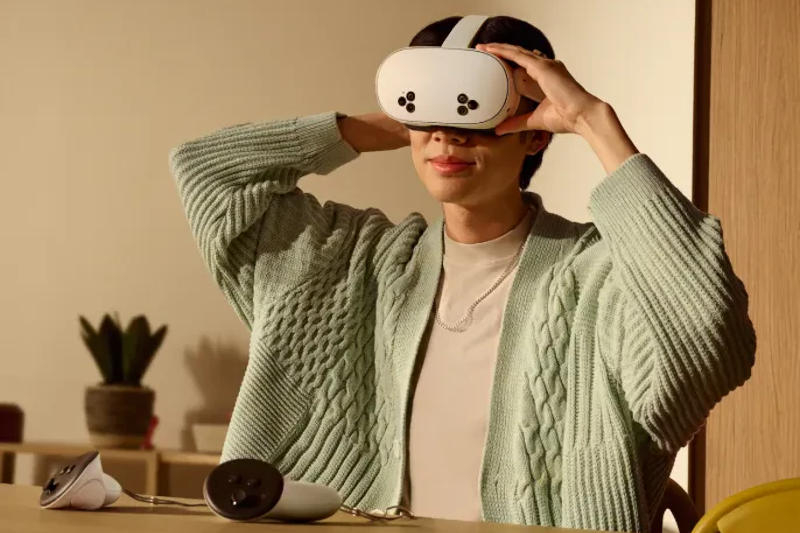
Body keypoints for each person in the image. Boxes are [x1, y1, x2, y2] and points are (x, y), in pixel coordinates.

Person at [168, 15, 756, 533]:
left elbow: (707, 331)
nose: (448, 132)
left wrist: (592, 120)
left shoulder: (597, 277)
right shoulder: (349, 260)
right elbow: (208, 175)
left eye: (474, 107)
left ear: (535, 131)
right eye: (430, 107)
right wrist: (397, 124)